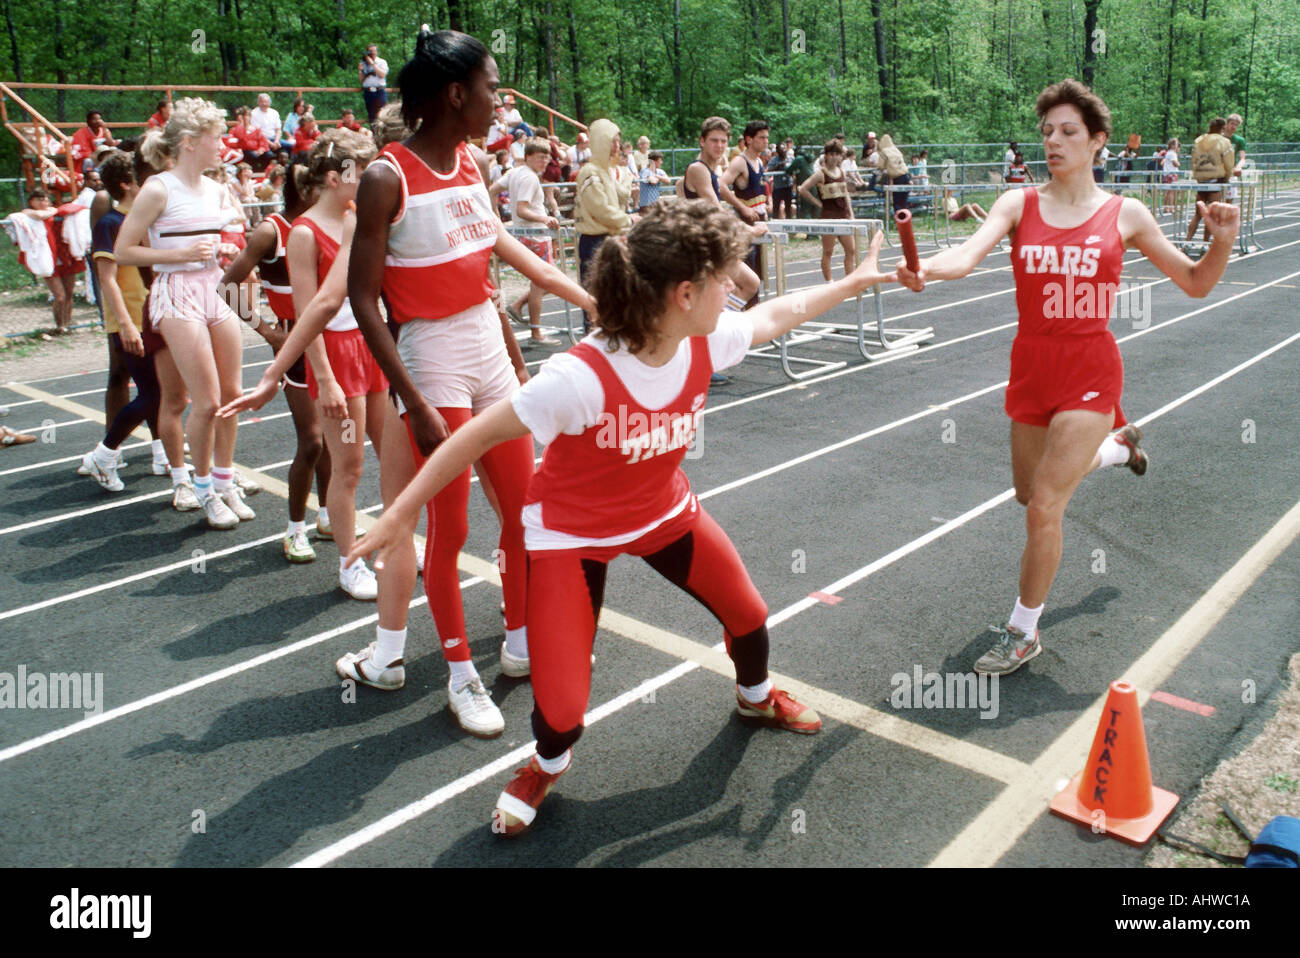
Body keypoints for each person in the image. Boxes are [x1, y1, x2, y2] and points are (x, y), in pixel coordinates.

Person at [348, 202, 899, 836]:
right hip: (570, 536)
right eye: (727, 277)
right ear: (685, 294)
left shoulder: (704, 338)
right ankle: (547, 762)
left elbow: (779, 314)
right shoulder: (578, 377)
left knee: (748, 615)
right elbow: (468, 440)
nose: (737, 287)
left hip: (662, 512)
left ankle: (755, 699)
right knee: (562, 709)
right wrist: (401, 514)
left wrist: (854, 282)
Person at [896, 78, 1239, 677]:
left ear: (1098, 141)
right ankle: (1117, 447)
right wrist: (926, 267)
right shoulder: (1018, 203)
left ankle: (1022, 632)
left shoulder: (1125, 212)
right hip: (1031, 364)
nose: (1053, 141)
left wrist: (1222, 244)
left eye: (1067, 132)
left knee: (1044, 507)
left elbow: (1195, 282)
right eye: (1047, 132)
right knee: (1027, 493)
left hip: (1089, 367)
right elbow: (966, 256)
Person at [334, 28, 594, 737]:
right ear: (455, 94)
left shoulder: (474, 164)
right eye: (491, 87)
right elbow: (362, 300)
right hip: (431, 358)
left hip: (485, 347)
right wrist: (412, 401)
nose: (500, 101)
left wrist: (597, 303)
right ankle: (459, 675)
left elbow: (513, 267)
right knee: (448, 530)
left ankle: (517, 641)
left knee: (524, 511)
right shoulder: (386, 175)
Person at [115, 97, 254, 530]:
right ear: (191, 142)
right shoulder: (159, 187)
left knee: (232, 394)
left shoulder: (216, 188)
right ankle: (203, 486)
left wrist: (226, 248)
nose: (223, 143)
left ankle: (226, 479)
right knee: (207, 400)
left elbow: (225, 237)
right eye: (216, 137)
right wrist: (180, 253)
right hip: (176, 294)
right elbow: (123, 250)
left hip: (215, 287)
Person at [285, 130, 386, 597]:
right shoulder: (303, 233)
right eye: (361, 175)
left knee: (396, 456)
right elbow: (309, 315)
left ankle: (394, 543)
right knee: (349, 466)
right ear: (334, 177)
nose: (368, 182)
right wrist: (324, 379)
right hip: (336, 358)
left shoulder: (355, 217)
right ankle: (349, 562)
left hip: (371, 346)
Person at [220, 163, 332, 562]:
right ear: (304, 188)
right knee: (313, 440)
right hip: (295, 343)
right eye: (321, 182)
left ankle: (327, 514)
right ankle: (293, 529)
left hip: (331, 337)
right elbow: (227, 285)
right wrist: (268, 331)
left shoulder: (327, 224)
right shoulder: (272, 231)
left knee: (334, 436)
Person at [76, 150, 173, 492]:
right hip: (131, 320)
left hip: (155, 316)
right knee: (154, 392)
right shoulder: (111, 224)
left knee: (162, 390)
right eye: (143, 179)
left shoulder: (147, 219)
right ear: (127, 184)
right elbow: (108, 279)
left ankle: (163, 453)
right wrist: (125, 324)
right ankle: (103, 454)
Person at [491, 137, 562, 346]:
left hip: (527, 234)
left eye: (547, 157)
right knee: (545, 283)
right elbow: (522, 209)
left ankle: (518, 304)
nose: (545, 161)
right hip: (535, 234)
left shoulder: (514, 172)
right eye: (540, 157)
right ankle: (536, 333)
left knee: (548, 281)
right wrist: (545, 218)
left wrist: (495, 213)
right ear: (528, 156)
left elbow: (493, 190)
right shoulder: (529, 177)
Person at [574, 118, 634, 334]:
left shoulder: (606, 171)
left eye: (618, 142)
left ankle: (612, 341)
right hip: (594, 242)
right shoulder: (590, 172)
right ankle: (592, 342)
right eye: (612, 141)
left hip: (610, 239)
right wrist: (628, 221)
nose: (617, 146)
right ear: (601, 142)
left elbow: (623, 194)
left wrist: (625, 175)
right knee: (594, 297)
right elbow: (600, 208)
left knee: (615, 295)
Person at [10, 189, 84, 334]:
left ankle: (66, 325)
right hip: (46, 259)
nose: (43, 202)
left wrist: (53, 211)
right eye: (39, 199)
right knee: (60, 296)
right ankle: (59, 325)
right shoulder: (27, 214)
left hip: (65, 256)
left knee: (69, 293)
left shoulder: (56, 212)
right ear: (31, 202)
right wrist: (51, 211)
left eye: (45, 199)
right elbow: (37, 215)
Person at [721, 120, 770, 306]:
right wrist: (742, 208)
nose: (766, 141)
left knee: (759, 273)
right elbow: (721, 186)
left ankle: (754, 317)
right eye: (761, 137)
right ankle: (740, 315)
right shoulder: (740, 161)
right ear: (749, 139)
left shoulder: (758, 160)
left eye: (767, 137)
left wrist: (767, 201)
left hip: (760, 219)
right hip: (745, 224)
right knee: (747, 276)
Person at [798, 139, 856, 281]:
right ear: (826, 155)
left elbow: (846, 194)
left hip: (843, 216)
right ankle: (829, 282)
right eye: (832, 154)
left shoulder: (842, 172)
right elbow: (802, 189)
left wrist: (851, 212)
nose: (835, 157)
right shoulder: (821, 174)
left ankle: (850, 280)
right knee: (828, 251)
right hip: (828, 216)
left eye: (838, 154)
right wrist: (818, 203)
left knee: (851, 250)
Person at [1187, 117, 1235, 243]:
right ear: (1223, 128)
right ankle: (1205, 244)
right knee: (1211, 216)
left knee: (1197, 215)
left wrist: (1198, 176)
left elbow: (1193, 161)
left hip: (1201, 181)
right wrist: (1227, 178)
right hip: (1215, 181)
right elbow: (1229, 164)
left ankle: (1187, 242)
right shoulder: (1224, 142)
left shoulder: (1199, 140)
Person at [875, 134, 911, 213]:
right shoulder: (896, 149)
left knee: (897, 201)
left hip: (897, 178)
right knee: (904, 200)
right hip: (906, 175)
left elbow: (880, 165)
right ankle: (906, 221)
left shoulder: (884, 152)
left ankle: (899, 220)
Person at [359, 44, 390, 123]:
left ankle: (383, 133)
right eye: (370, 51)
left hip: (379, 90)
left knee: (381, 113)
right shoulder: (364, 63)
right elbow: (361, 80)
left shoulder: (382, 62)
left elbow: (382, 74)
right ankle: (374, 133)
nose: (372, 53)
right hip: (368, 91)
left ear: (377, 52)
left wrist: (372, 64)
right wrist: (361, 70)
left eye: (374, 51)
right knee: (371, 115)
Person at [1160, 137, 1180, 213]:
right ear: (1172, 145)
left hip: (1167, 173)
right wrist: (1179, 164)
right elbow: (1175, 164)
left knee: (1168, 192)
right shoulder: (1172, 153)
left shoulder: (1169, 153)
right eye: (1177, 144)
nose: (1177, 146)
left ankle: (1166, 207)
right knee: (1172, 191)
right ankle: (1171, 207)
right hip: (1172, 174)